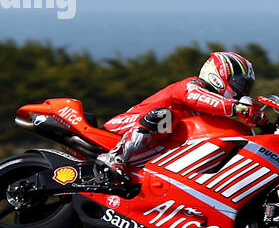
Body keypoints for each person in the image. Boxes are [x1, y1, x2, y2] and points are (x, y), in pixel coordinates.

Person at [96, 51, 264, 184]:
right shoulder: (192, 85)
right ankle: (115, 156)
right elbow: (199, 98)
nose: (241, 91)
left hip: (155, 142)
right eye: (238, 83)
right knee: (166, 117)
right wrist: (235, 107)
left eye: (246, 87)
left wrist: (264, 122)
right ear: (218, 76)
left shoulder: (213, 110)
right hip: (125, 125)